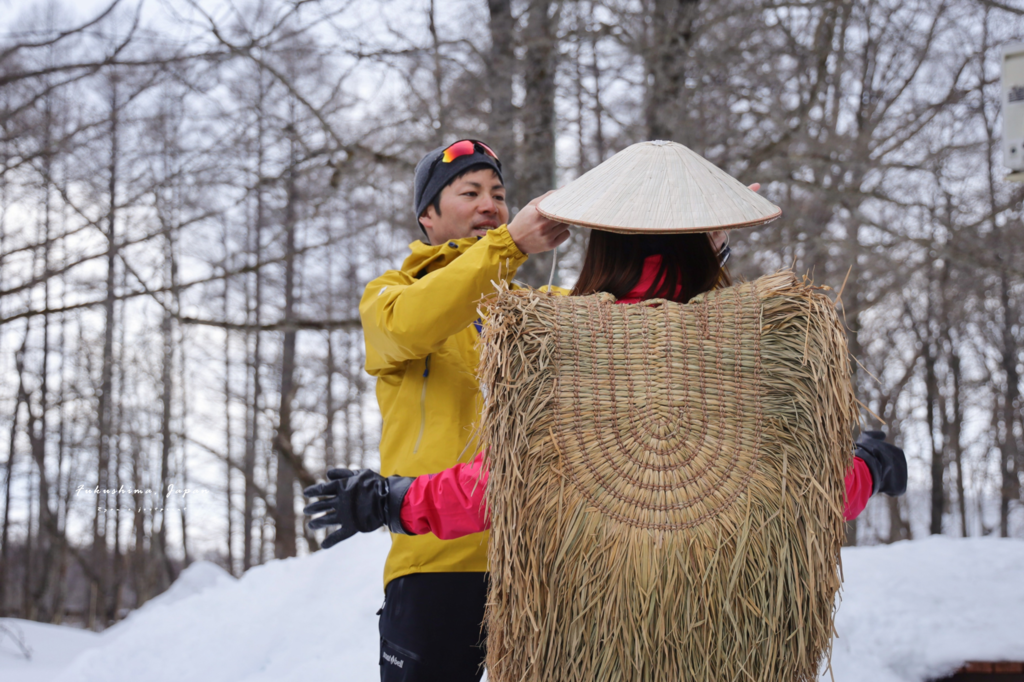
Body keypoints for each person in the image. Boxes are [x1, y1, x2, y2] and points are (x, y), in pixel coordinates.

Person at [305, 229, 907, 544]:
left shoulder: (565, 343)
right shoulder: (753, 347)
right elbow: (802, 495)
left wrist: (395, 502)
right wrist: (868, 468)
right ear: (707, 246)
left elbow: (509, 485)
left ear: (603, 243)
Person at [303, 139, 569, 682]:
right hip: (435, 561)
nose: (490, 204)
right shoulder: (390, 296)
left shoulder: (533, 309)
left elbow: (629, 323)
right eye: (469, 192)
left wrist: (697, 251)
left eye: (497, 193)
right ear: (427, 215)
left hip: (542, 564)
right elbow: (414, 322)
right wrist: (508, 245)